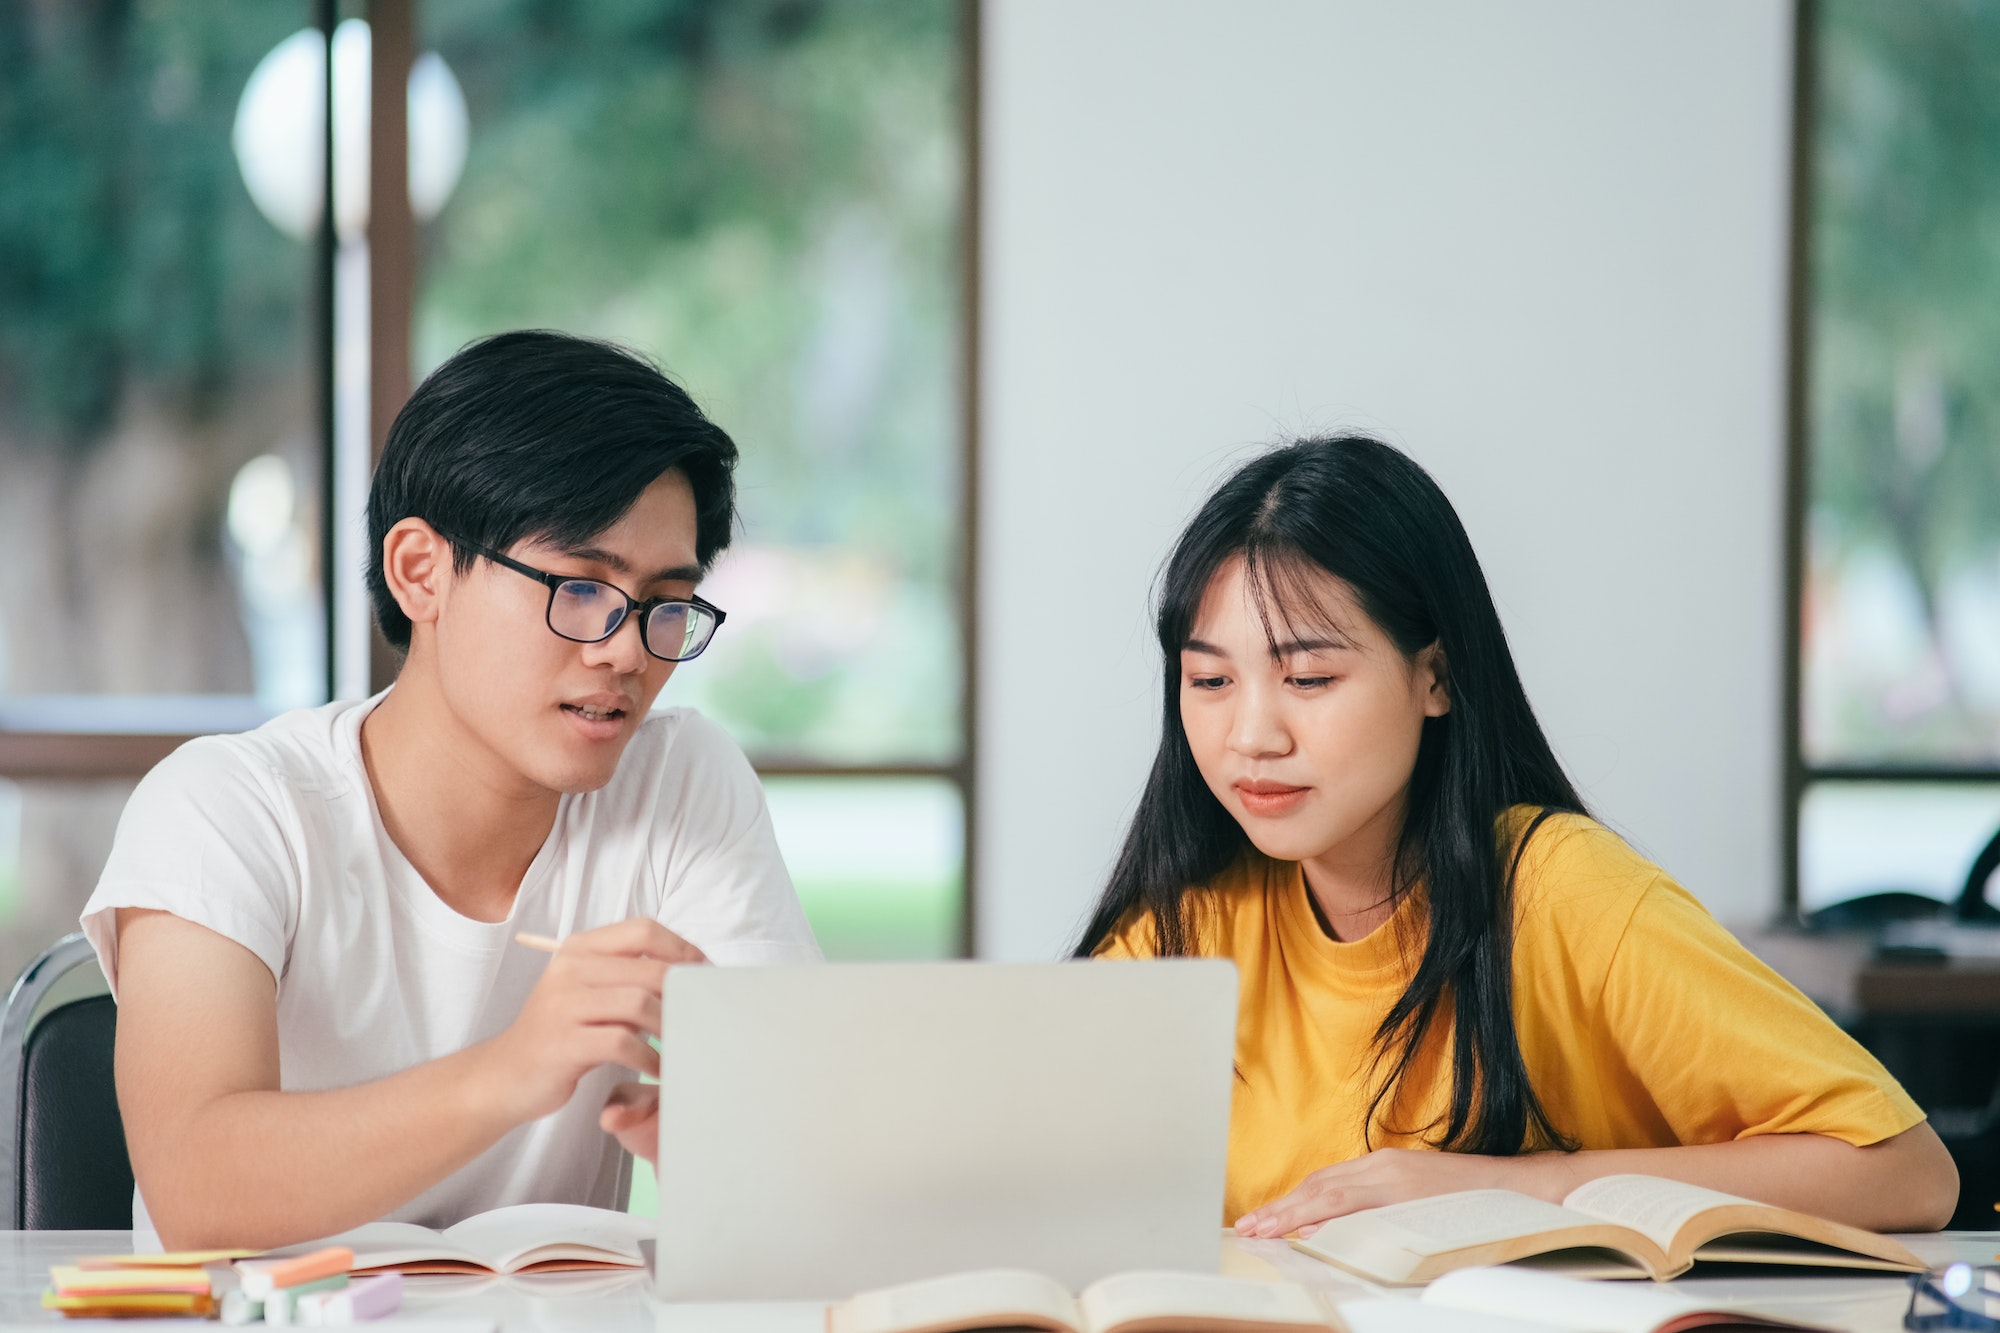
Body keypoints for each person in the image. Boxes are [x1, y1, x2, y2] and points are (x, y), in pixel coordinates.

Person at [1075, 435, 1957, 1237]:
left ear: (1436, 676)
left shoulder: (1564, 891)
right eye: (1210, 680)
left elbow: (1907, 1172)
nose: (1251, 735)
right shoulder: (1189, 926)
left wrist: (1513, 1187)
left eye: (1307, 677)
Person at [83, 331, 820, 1249]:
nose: (627, 652)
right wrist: (511, 1070)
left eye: (664, 605)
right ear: (420, 571)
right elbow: (197, 1185)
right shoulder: (226, 809)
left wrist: (730, 1157)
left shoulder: (680, 785)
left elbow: (804, 1140)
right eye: (581, 589)